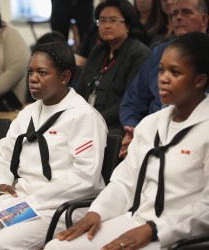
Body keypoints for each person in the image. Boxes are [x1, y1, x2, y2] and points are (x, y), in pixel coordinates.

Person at [45, 31, 209, 250]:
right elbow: (125, 182)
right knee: (58, 247)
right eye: (161, 70)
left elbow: (205, 208)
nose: (163, 78)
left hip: (177, 234)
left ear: (199, 80)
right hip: (136, 219)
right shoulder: (150, 124)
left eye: (175, 72)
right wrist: (97, 212)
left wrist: (154, 229)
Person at [0, 41, 108, 250]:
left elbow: (85, 179)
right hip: (16, 200)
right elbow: (2, 154)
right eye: (30, 72)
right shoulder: (28, 113)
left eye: (42, 72)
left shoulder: (83, 116)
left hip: (60, 205)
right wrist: (2, 184)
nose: (33, 79)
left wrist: (33, 201)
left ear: (64, 77)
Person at [119, 0, 208, 158]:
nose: (178, 18)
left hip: (195, 136)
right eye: (175, 13)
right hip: (149, 133)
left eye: (186, 12)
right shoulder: (161, 52)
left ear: (204, 20)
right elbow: (132, 101)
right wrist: (135, 130)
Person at [75, 0, 150, 135]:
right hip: (86, 120)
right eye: (102, 21)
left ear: (127, 25)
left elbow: (129, 101)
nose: (107, 26)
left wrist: (94, 120)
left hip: (116, 125)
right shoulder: (98, 50)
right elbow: (80, 90)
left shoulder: (139, 54)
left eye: (113, 20)